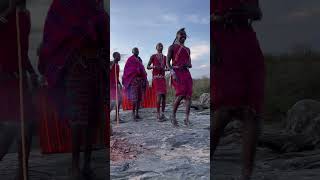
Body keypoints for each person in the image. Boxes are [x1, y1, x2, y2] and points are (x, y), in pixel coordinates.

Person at [38, 0, 109, 179]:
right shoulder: (62, 5)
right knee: (79, 119)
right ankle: (75, 166)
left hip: (96, 68)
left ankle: (87, 164)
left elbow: (104, 36)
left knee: (93, 119)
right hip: (76, 68)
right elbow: (51, 37)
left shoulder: (97, 7)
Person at [211, 0, 264, 179]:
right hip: (220, 40)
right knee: (225, 108)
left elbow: (257, 12)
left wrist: (243, 11)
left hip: (246, 40)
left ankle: (246, 175)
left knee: (253, 108)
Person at [0, 0, 39, 179]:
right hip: (4, 82)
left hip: (20, 80)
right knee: (10, 127)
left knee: (28, 125)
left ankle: (22, 171)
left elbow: (21, 51)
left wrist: (31, 72)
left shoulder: (24, 16)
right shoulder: (5, 11)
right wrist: (8, 10)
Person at [167, 28, 193, 127]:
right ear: (177, 36)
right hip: (176, 72)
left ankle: (186, 118)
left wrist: (188, 64)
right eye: (181, 35)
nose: (183, 36)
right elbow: (167, 63)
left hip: (186, 73)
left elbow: (190, 64)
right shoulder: (172, 47)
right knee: (181, 94)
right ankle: (173, 116)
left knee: (188, 96)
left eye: (185, 35)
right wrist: (172, 72)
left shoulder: (188, 49)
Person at [122, 47, 148, 121]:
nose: (137, 51)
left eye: (138, 50)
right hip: (133, 81)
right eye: (135, 50)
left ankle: (137, 114)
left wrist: (144, 76)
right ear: (132, 52)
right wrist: (136, 70)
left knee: (139, 99)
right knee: (134, 99)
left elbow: (142, 68)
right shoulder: (130, 59)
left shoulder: (139, 59)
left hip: (140, 81)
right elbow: (127, 69)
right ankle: (133, 114)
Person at [147, 43, 168, 121]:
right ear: (156, 48)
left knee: (164, 96)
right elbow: (148, 67)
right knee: (159, 95)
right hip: (156, 78)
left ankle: (163, 114)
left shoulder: (165, 57)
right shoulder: (153, 56)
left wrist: (165, 69)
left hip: (162, 78)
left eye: (162, 45)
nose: (160, 47)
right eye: (159, 46)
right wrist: (154, 66)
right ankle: (158, 114)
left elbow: (168, 67)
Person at [110, 52, 123, 123]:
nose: (120, 57)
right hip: (110, 85)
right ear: (115, 56)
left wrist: (119, 84)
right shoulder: (111, 62)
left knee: (120, 99)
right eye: (119, 55)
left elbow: (116, 76)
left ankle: (116, 117)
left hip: (115, 85)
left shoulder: (118, 65)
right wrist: (113, 62)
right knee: (112, 101)